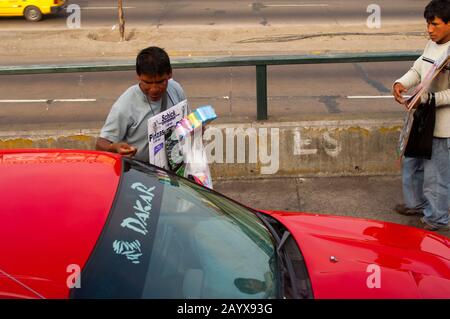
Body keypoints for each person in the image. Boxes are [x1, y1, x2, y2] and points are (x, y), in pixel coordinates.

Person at [392, 0, 450, 231]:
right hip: (422, 118)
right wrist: (401, 83)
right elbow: (418, 69)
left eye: (435, 24)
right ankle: (416, 204)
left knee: (436, 176)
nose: (430, 29)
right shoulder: (432, 45)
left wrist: (431, 99)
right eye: (428, 24)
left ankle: (437, 219)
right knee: (412, 163)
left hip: (442, 125)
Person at [96, 46, 186, 163]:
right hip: (140, 174)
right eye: (147, 82)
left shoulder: (176, 89)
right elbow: (100, 144)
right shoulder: (125, 105)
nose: (154, 89)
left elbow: (187, 122)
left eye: (160, 82)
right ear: (138, 76)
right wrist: (115, 148)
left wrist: (197, 129)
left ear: (169, 74)